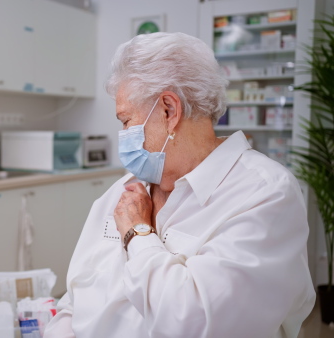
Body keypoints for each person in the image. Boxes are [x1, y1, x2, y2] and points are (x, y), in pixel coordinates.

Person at [44, 32, 315, 338]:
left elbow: (196, 323)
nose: (122, 134)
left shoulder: (264, 193)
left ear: (169, 111)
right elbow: (75, 300)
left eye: (125, 120)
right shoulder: (125, 191)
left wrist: (138, 234)